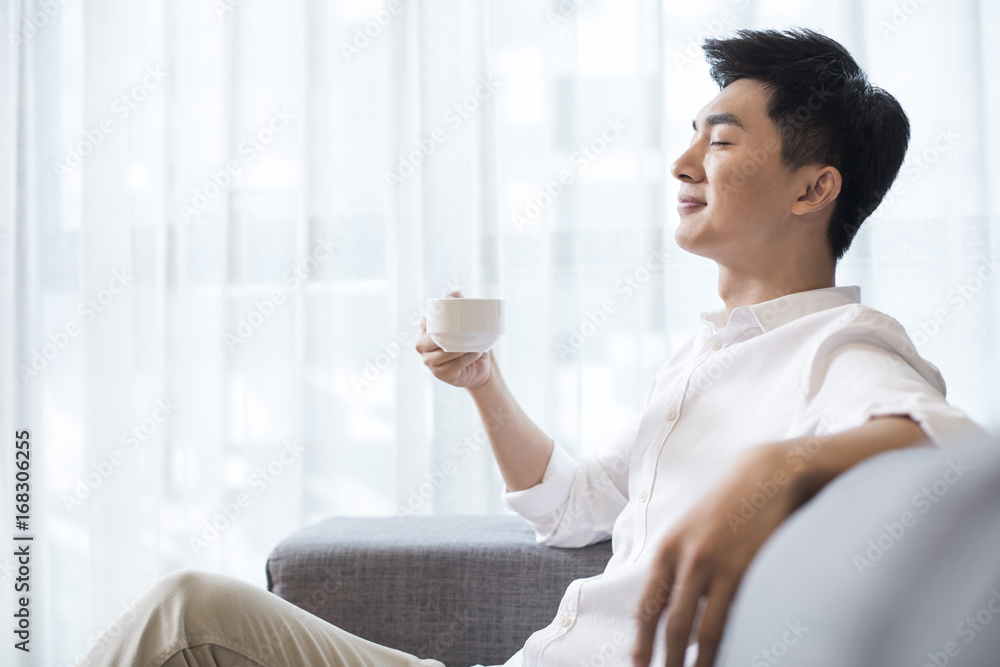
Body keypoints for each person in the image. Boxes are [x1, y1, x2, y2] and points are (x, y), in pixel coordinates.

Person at [78, 27, 983, 667]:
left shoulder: (842, 346)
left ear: (812, 189)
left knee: (184, 620)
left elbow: (962, 452)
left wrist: (780, 467)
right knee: (189, 607)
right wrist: (481, 381)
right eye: (688, 138)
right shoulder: (706, 359)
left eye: (719, 140)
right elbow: (575, 506)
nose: (681, 164)